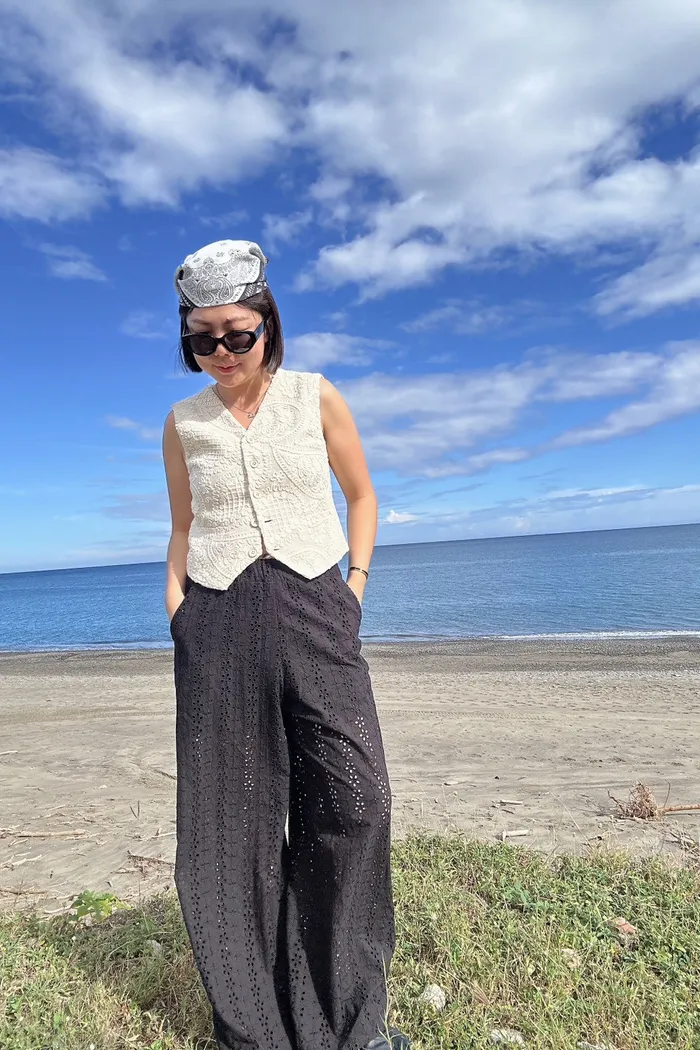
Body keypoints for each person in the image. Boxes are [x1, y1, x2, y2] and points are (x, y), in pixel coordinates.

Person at [162, 239, 410, 1050]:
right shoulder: (183, 424)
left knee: (357, 801)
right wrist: (179, 611)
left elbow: (362, 494)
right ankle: (254, 1029)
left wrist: (354, 586)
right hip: (216, 617)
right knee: (226, 827)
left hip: (316, 605)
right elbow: (183, 528)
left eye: (238, 333)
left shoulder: (314, 395)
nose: (222, 351)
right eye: (203, 338)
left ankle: (349, 1020)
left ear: (268, 324)